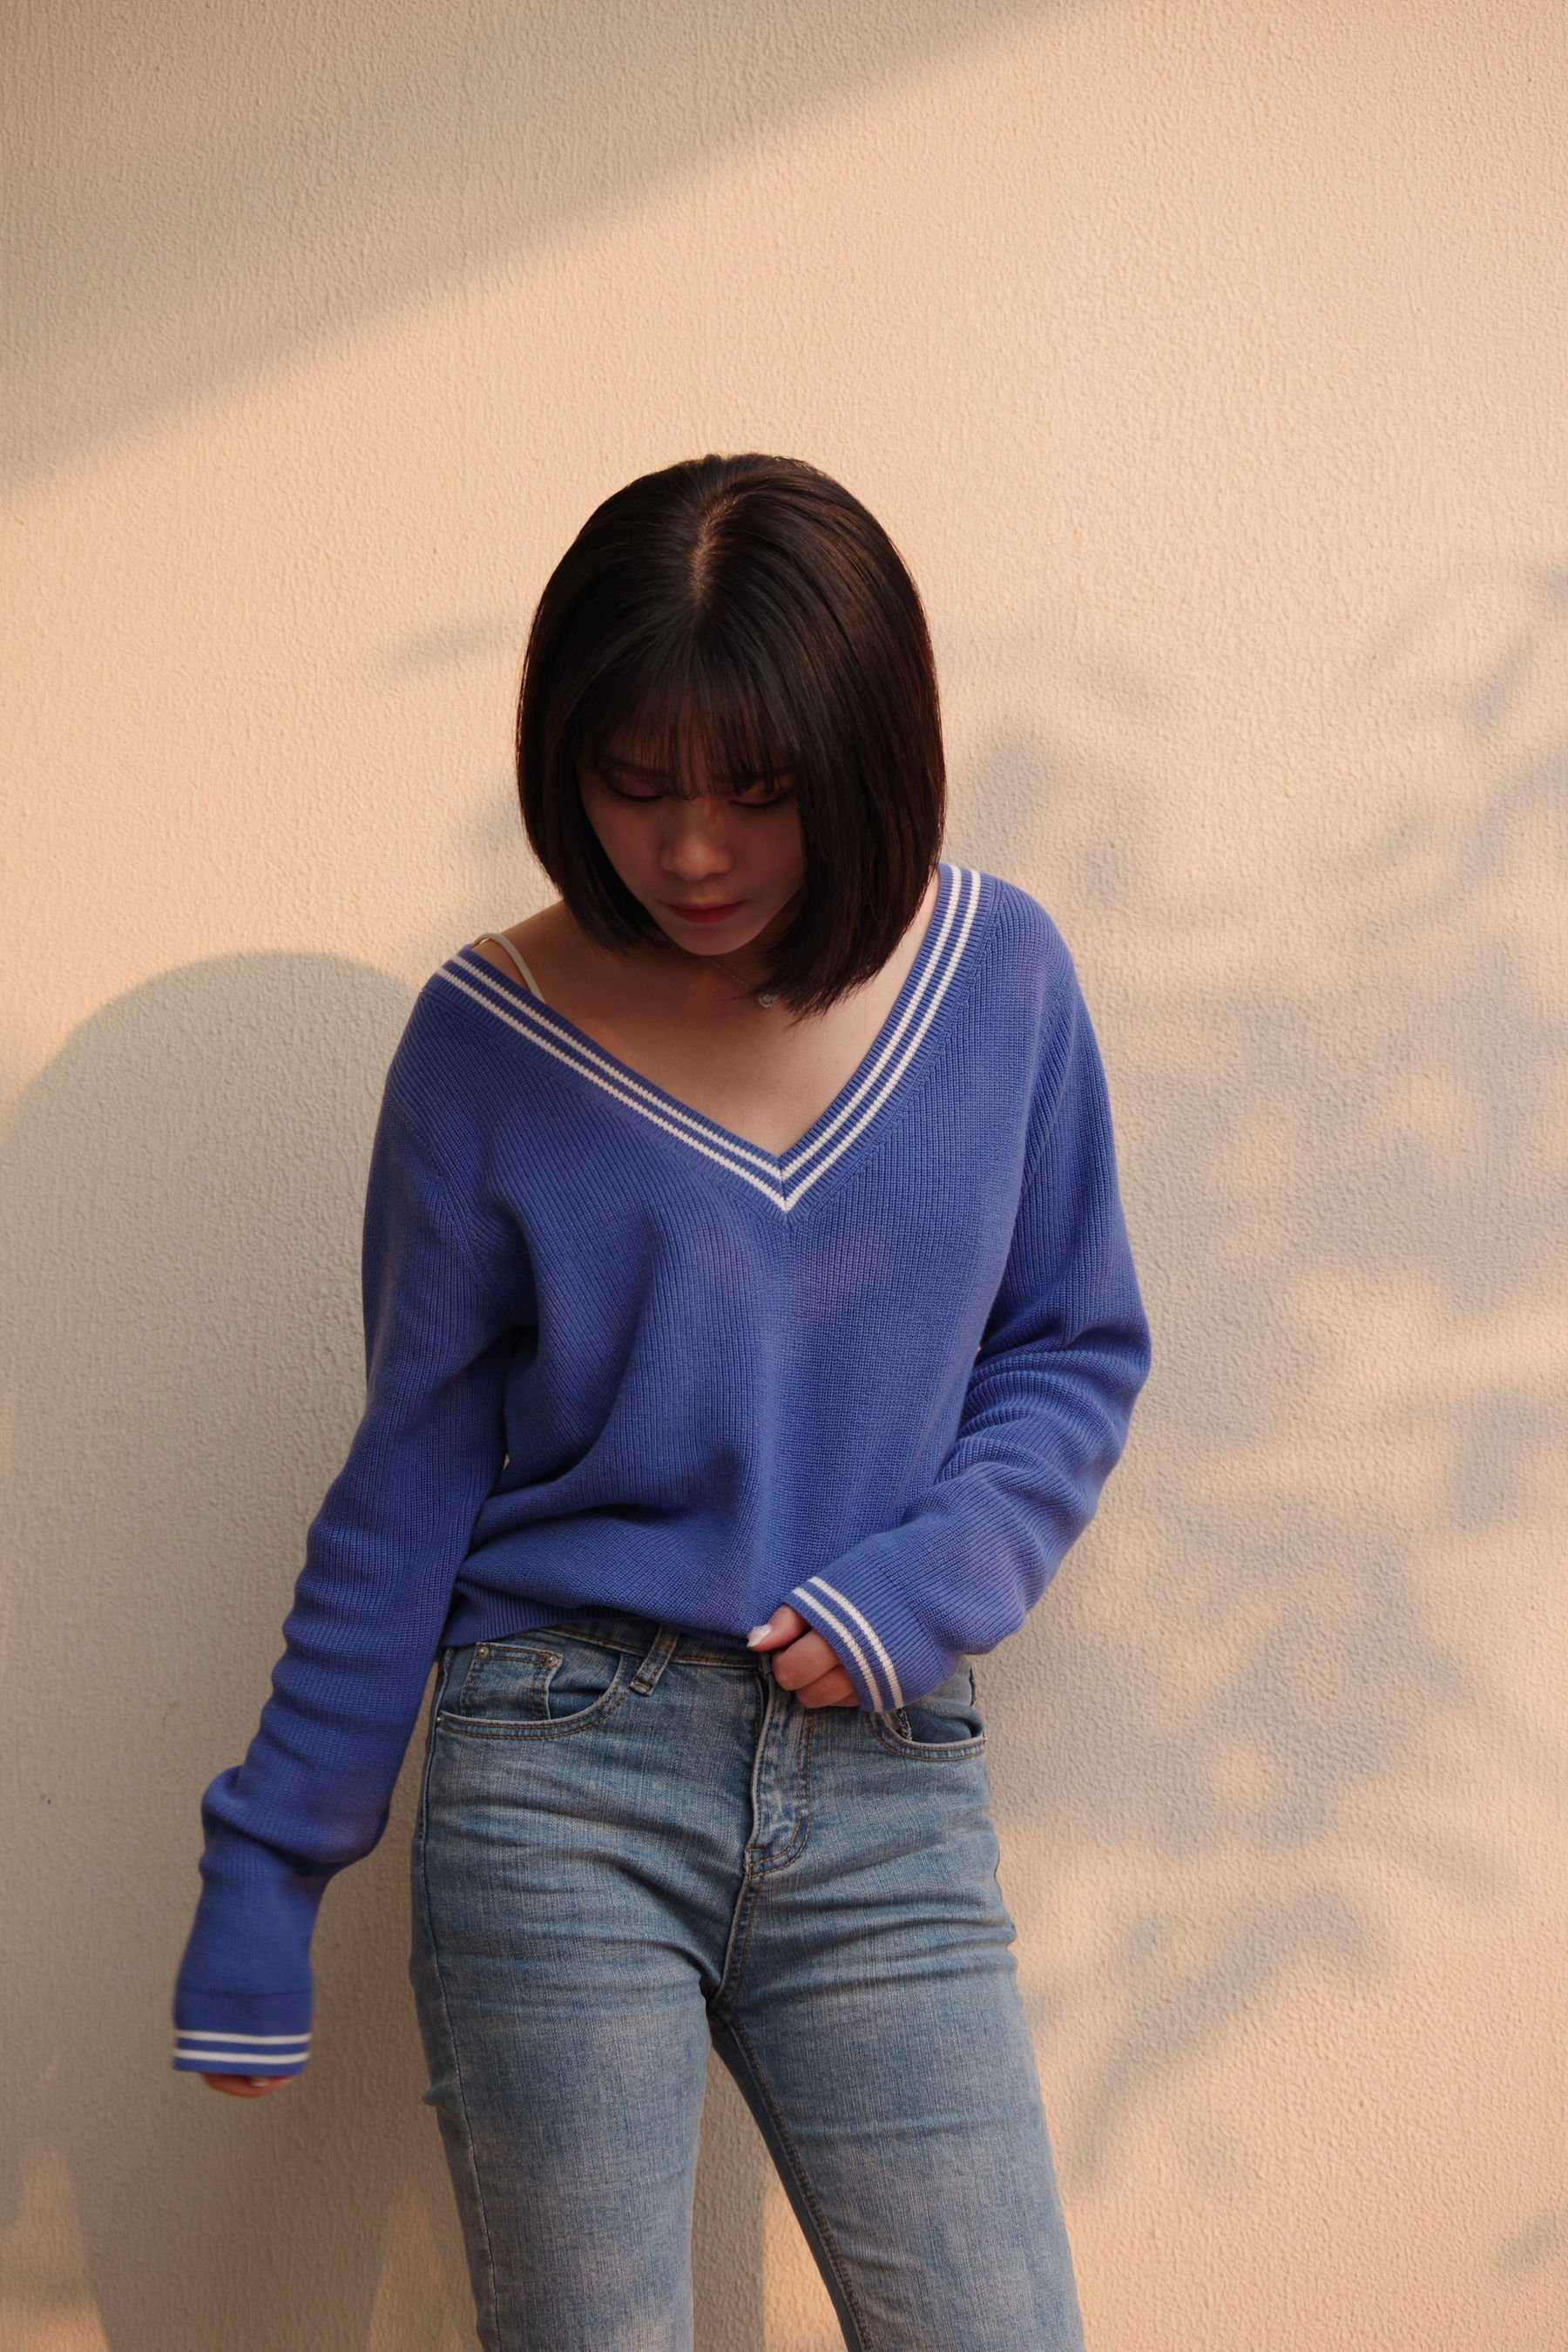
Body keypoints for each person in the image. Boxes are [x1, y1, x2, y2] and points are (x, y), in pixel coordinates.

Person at [170, 451, 1152, 2350]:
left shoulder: (1001, 981)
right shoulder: (484, 1042)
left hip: (886, 1784)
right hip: (559, 1779)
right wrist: (270, 1866)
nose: (691, 851)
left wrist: (926, 1583)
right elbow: (408, 1481)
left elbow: (1070, 1348)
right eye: (636, 783)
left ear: (865, 755)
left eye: (757, 790)